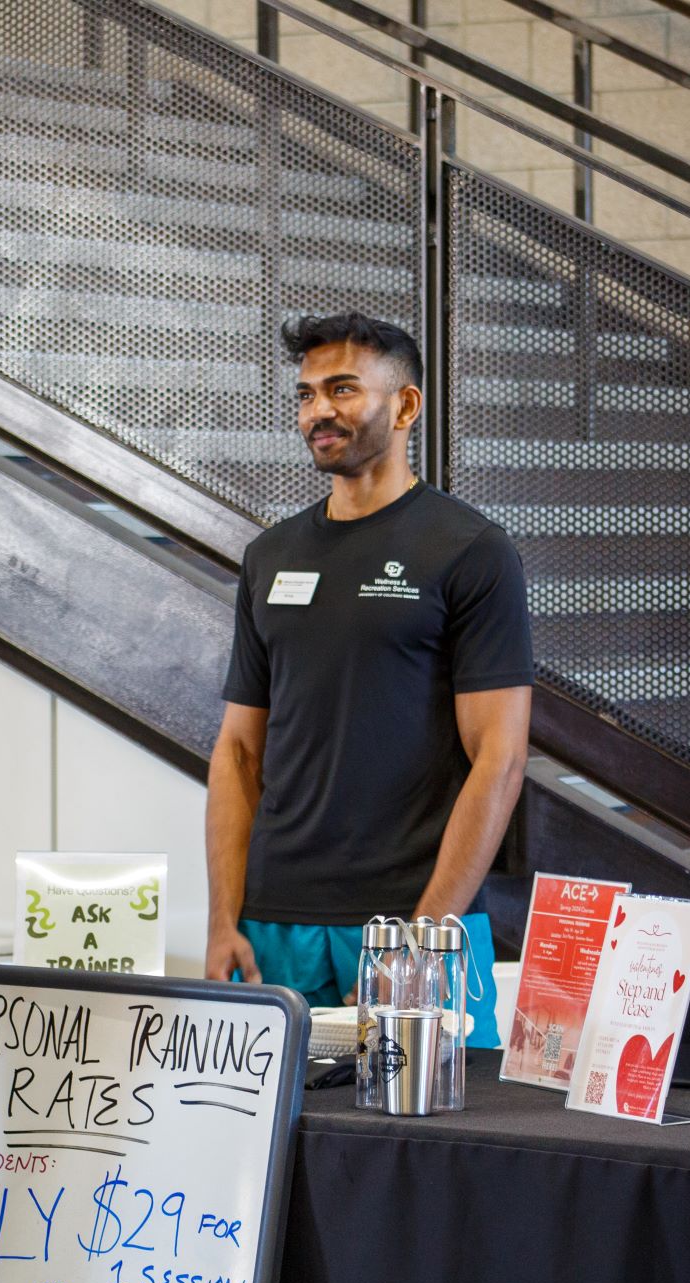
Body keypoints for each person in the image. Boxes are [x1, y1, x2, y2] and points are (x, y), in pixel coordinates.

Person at [203, 313, 532, 1043]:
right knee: (263, 1150)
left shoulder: (471, 550)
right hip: (272, 925)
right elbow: (237, 754)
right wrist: (223, 918)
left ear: (406, 405)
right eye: (307, 394)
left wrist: (423, 937)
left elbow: (500, 758)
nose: (318, 410)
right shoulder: (268, 556)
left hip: (413, 920)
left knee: (431, 1150)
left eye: (343, 389)